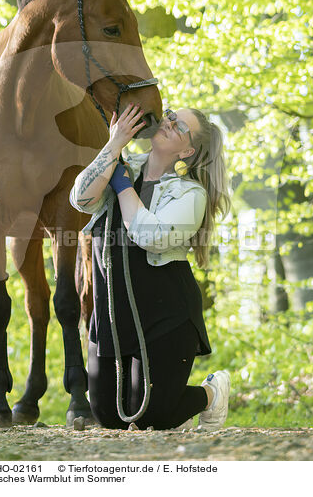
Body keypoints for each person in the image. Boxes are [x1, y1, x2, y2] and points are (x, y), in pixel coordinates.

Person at [69, 102, 231, 430]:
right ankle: (171, 404)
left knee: (149, 416)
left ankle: (211, 394)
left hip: (165, 317)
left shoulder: (191, 194)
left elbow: (150, 235)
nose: (169, 122)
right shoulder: (122, 162)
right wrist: (114, 144)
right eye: (170, 116)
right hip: (114, 315)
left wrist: (123, 187)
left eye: (181, 127)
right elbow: (80, 199)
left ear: (187, 151)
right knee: (107, 415)